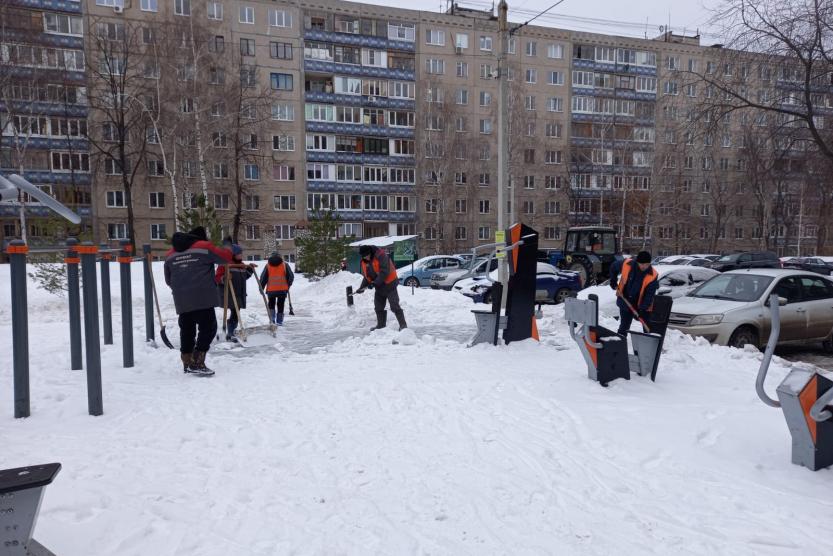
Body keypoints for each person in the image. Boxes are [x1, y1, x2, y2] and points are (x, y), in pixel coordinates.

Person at [164, 226, 233, 375]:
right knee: (208, 328)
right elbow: (225, 258)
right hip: (202, 297)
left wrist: (183, 289)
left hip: (182, 299)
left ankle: (187, 362)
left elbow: (168, 280)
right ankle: (198, 361)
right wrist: (227, 245)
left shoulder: (170, 254)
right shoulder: (204, 247)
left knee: (187, 330)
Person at [355, 245, 407, 331]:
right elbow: (367, 276)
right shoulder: (364, 262)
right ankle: (381, 325)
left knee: (394, 305)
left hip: (390, 283)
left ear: (370, 252)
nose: (366, 257)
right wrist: (362, 288)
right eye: (364, 256)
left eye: (367, 255)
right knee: (378, 306)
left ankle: (403, 325)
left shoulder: (381, 256)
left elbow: (384, 271)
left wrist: (374, 283)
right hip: (379, 286)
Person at [609, 250, 658, 336]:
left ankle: (650, 343)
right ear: (637, 262)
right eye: (642, 264)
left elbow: (649, 295)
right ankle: (620, 343)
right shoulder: (626, 264)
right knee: (624, 326)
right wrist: (613, 280)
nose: (644, 266)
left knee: (647, 327)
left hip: (641, 303)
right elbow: (613, 267)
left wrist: (642, 309)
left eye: (647, 264)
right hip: (625, 300)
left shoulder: (653, 275)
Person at [215, 244, 255, 342]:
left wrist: (250, 269)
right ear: (232, 254)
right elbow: (217, 278)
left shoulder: (241, 265)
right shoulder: (224, 264)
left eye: (241, 254)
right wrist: (224, 278)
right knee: (235, 312)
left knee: (236, 312)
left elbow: (244, 277)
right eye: (238, 254)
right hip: (228, 293)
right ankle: (230, 332)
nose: (241, 256)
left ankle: (230, 331)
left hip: (239, 293)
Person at [259, 252, 294, 325]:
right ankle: (279, 321)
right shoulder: (285, 265)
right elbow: (290, 277)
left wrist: (261, 287)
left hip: (271, 290)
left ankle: (272, 319)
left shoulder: (268, 266)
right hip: (282, 289)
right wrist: (288, 285)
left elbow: (263, 278)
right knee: (280, 304)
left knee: (271, 304)